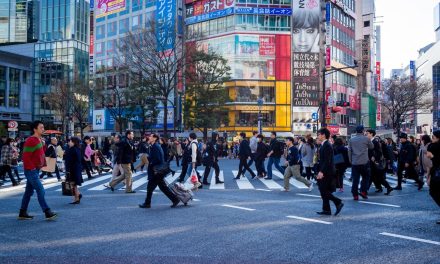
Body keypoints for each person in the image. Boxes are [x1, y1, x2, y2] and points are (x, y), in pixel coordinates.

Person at [18, 121, 57, 220]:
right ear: (35, 129)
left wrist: (43, 145)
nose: (43, 129)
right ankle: (47, 211)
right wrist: (32, 168)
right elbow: (25, 157)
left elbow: (40, 154)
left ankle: (22, 212)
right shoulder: (31, 140)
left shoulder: (39, 140)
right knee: (40, 190)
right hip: (31, 170)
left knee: (28, 192)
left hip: (35, 170)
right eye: (41, 127)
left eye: (43, 127)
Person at [139, 134, 180, 209]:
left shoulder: (155, 147)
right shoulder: (155, 146)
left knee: (150, 187)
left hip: (156, 171)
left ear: (154, 138)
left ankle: (147, 203)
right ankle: (175, 199)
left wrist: (150, 162)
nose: (149, 138)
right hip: (158, 171)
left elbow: (157, 159)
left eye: (151, 137)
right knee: (162, 187)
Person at [316, 128, 344, 216]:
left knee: (323, 190)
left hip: (327, 171)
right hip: (326, 170)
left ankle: (338, 202)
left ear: (323, 135)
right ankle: (326, 209)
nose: (318, 136)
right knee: (324, 190)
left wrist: (321, 172)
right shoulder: (324, 144)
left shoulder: (327, 145)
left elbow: (327, 160)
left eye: (319, 134)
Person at [348, 125, 373, 200]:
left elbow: (349, 151)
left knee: (355, 179)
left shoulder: (351, 140)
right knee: (366, 177)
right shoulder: (366, 139)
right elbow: (372, 147)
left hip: (355, 162)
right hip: (364, 161)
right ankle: (363, 191)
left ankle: (355, 195)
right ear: (363, 131)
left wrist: (350, 160)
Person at [366, 130, 393, 195]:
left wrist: (375, 158)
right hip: (371, 162)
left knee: (372, 176)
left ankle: (364, 190)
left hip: (375, 162)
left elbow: (379, 152)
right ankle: (387, 187)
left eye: (367, 134)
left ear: (371, 134)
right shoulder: (370, 141)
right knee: (376, 177)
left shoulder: (375, 142)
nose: (366, 135)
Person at [65, 137, 83, 204]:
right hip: (77, 168)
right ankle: (78, 194)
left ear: (73, 142)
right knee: (74, 183)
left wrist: (67, 170)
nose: (69, 142)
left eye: (70, 141)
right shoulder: (78, 148)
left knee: (73, 184)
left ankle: (76, 199)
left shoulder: (71, 149)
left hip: (72, 169)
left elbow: (69, 160)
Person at [426, 130, 440, 224]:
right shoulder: (433, 146)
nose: (432, 138)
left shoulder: (434, 146)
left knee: (433, 191)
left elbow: (429, 154)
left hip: (438, 172)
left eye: (434, 137)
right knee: (433, 191)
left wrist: (433, 156)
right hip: (436, 171)